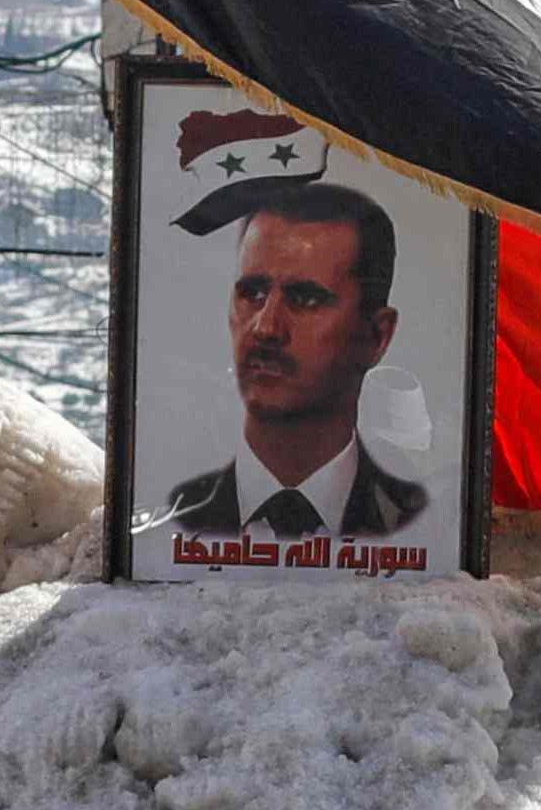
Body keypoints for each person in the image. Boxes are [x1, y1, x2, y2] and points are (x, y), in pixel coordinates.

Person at [157, 180, 426, 543]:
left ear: (377, 336)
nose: (266, 327)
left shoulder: (420, 521)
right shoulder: (169, 513)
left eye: (306, 299)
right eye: (251, 293)